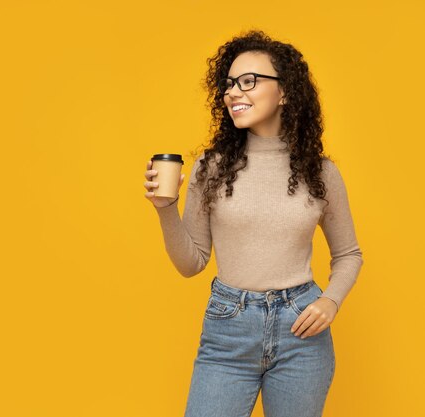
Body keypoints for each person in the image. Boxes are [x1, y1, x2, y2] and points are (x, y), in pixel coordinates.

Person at [143, 30, 363, 417]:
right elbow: (191, 264)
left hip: (302, 332)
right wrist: (165, 208)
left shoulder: (321, 172)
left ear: (285, 92)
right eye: (229, 84)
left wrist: (330, 301)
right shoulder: (209, 169)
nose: (233, 92)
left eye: (249, 81)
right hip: (228, 330)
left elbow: (349, 254)